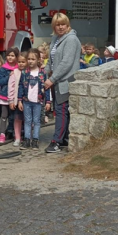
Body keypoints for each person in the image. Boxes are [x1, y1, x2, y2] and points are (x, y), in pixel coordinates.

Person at [44, 13, 81, 154]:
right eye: (57, 24)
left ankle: (56, 142)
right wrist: (45, 73)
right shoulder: (56, 38)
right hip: (57, 80)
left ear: (67, 24)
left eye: (63, 24)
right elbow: (51, 60)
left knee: (61, 111)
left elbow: (66, 63)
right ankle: (64, 137)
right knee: (60, 110)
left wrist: (51, 80)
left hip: (65, 81)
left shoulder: (71, 40)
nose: (60, 27)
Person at [20, 49, 50, 149]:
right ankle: (27, 140)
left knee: (36, 121)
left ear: (38, 60)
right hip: (26, 101)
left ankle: (35, 140)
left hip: (38, 101)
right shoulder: (24, 72)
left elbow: (46, 88)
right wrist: (19, 100)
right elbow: (20, 86)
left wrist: (48, 101)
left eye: (33, 59)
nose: (30, 61)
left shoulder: (42, 73)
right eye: (28, 59)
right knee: (27, 120)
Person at [0, 48, 17, 138]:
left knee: (12, 116)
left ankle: (10, 131)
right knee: (3, 115)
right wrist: (9, 77)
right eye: (9, 55)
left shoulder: (18, 68)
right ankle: (2, 133)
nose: (10, 57)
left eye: (12, 56)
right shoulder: (3, 69)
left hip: (14, 97)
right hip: (4, 97)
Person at [4, 53, 26, 145]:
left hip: (27, 101)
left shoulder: (29, 72)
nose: (21, 64)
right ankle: (17, 137)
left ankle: (26, 136)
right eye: (19, 62)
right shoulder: (14, 73)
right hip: (16, 101)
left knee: (27, 120)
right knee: (17, 119)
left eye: (23, 62)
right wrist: (11, 100)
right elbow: (11, 88)